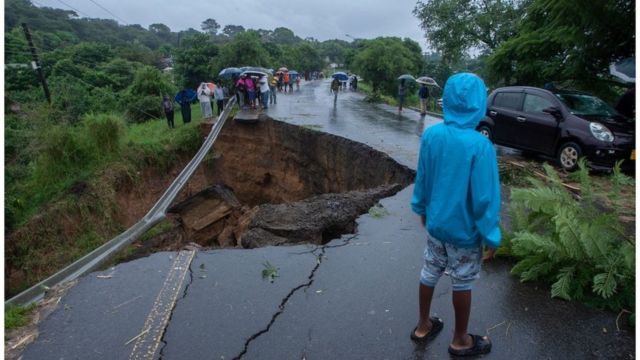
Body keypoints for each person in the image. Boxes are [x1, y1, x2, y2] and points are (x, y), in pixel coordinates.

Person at [410, 73, 500, 357]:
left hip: (437, 226)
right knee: (462, 280)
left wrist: (422, 209)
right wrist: (491, 235)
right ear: (478, 103)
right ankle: (460, 339)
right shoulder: (480, 145)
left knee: (429, 271)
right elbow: (484, 198)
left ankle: (423, 325)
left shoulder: (432, 135)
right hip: (465, 232)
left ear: (446, 99)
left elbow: (423, 177)